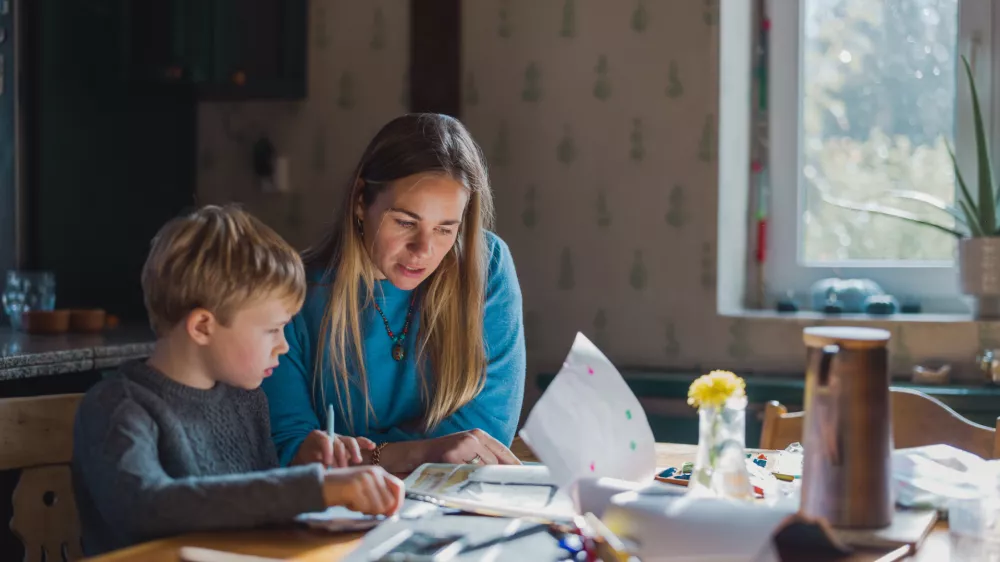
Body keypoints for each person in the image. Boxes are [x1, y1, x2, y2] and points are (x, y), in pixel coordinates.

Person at [72, 205, 404, 556]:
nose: (284, 346)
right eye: (272, 330)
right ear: (202, 326)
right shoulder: (117, 408)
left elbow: (255, 508)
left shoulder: (246, 400)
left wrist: (302, 466)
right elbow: (146, 507)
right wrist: (315, 487)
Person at [262, 113, 526, 473]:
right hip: (338, 512)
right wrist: (418, 453)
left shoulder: (486, 267)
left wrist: (362, 453)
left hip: (455, 506)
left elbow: (483, 438)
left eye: (445, 229)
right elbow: (290, 450)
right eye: (405, 222)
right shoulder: (293, 293)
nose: (423, 250)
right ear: (360, 199)